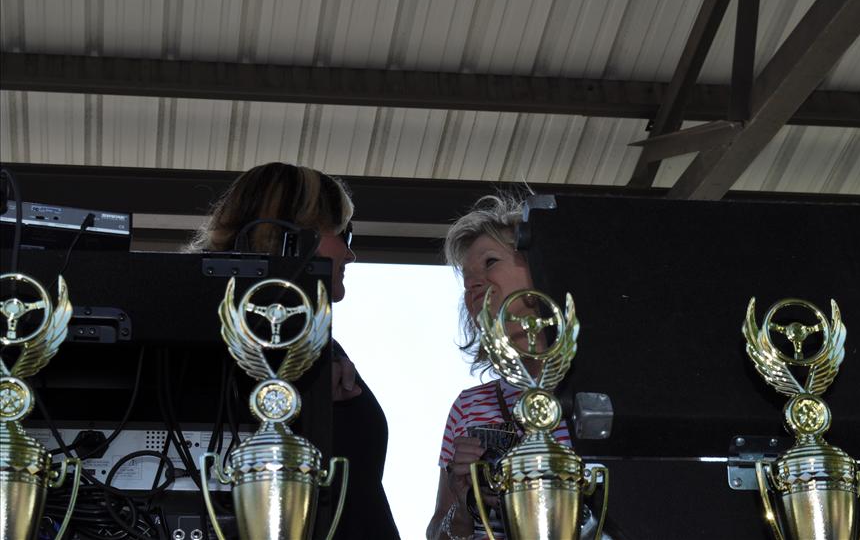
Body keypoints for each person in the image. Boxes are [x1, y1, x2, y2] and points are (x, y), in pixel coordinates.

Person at [189, 162, 400, 540]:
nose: (351, 254)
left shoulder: (320, 344)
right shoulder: (207, 345)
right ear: (294, 233)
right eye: (345, 234)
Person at [427, 194, 573, 540]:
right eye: (467, 280)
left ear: (539, 264)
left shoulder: (599, 395)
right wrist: (462, 498)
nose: (473, 284)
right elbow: (437, 533)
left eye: (490, 262)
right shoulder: (468, 407)